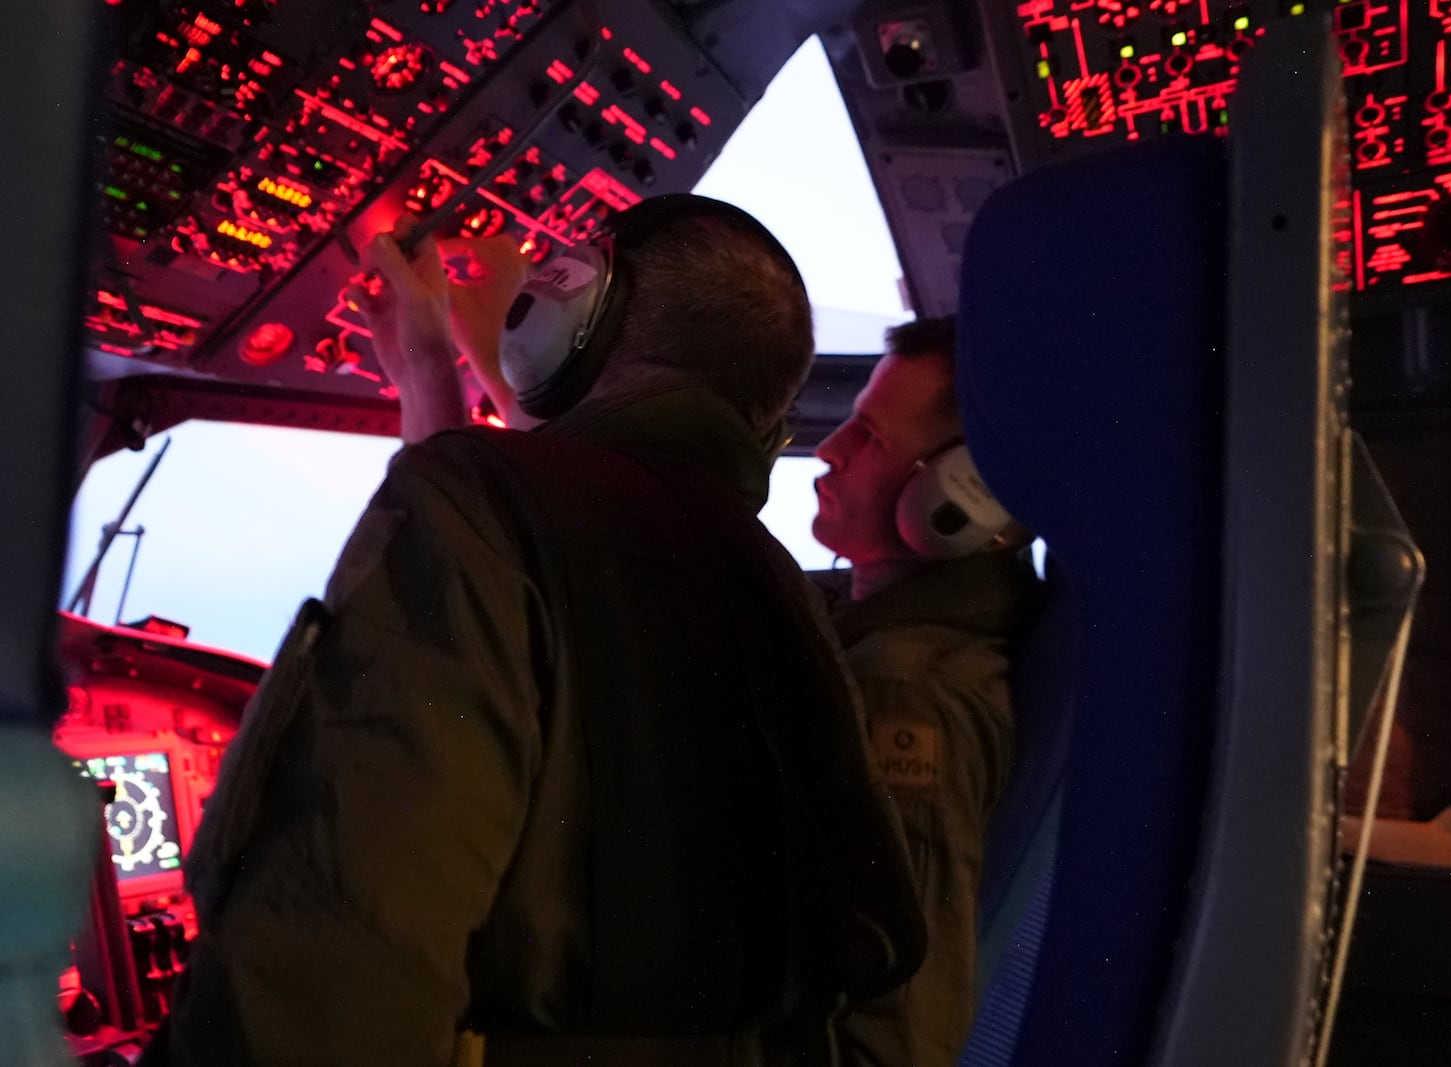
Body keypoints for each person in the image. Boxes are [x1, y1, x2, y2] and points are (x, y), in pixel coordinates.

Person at [144, 195, 925, 1066]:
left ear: (573, 305)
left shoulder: (479, 509)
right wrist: (431, 375)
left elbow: (327, 980)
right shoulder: (781, 590)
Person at [811, 317, 1040, 1066]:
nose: (828, 450)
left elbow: (901, 1037)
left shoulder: (909, 694)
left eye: (870, 438)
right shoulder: (902, 632)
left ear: (964, 496)